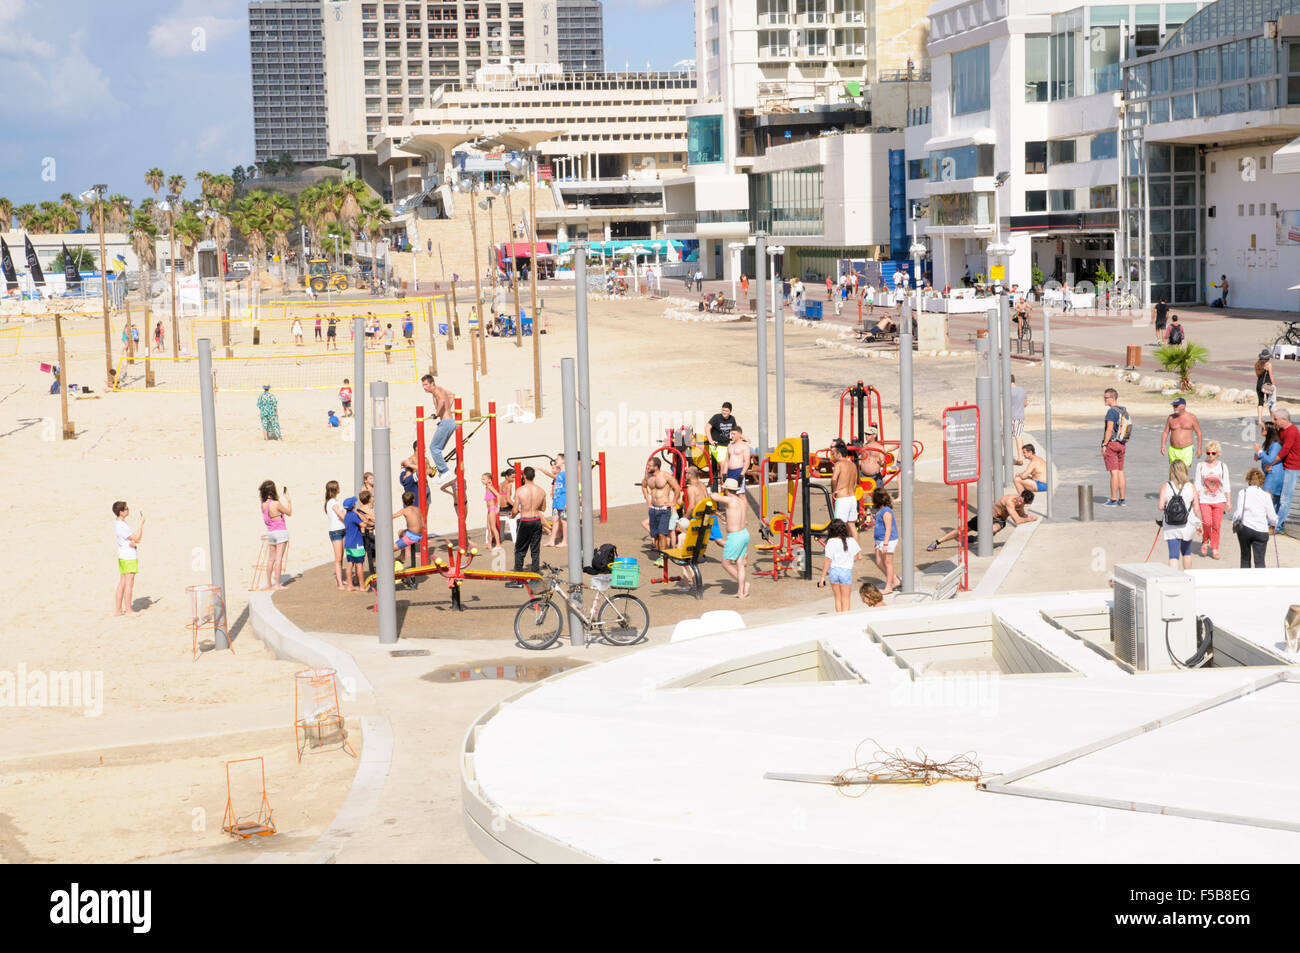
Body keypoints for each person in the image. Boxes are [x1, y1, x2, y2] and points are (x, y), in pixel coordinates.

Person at [925, 490, 1037, 551]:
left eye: (1022, 503)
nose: (1019, 503)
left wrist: (1026, 516)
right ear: (1020, 495)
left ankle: (977, 538)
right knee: (962, 530)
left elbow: (1022, 515)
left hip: (999, 520)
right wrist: (1029, 519)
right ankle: (937, 542)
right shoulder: (1009, 501)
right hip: (986, 516)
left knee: (993, 528)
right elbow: (1017, 520)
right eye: (1020, 500)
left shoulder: (1021, 504)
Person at [710, 477, 750, 598]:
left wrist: (717, 489)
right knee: (739, 563)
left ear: (726, 489)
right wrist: (725, 519)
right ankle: (741, 591)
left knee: (725, 563)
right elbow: (736, 517)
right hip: (744, 533)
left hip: (735, 536)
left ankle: (744, 584)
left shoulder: (730, 500)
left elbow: (714, 496)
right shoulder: (741, 501)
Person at [505, 467, 546, 584]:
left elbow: (515, 509)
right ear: (534, 476)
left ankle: (517, 580)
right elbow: (543, 508)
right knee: (535, 550)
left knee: (520, 550)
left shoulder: (520, 491)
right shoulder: (541, 491)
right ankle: (535, 577)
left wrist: (512, 516)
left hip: (525, 520)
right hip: (536, 520)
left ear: (524, 476)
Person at [1159, 460, 1200, 569]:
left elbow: (1160, 506)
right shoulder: (1191, 486)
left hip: (1171, 524)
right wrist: (1199, 524)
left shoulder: (1166, 485)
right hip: (1188, 523)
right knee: (1186, 552)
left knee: (1173, 555)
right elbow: (1196, 508)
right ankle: (1189, 577)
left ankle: (1174, 580)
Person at [1193, 441, 1231, 559]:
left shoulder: (1223, 466)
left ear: (1218, 453)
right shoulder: (1200, 466)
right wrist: (1194, 501)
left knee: (1216, 525)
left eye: (1213, 453)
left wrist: (1228, 501)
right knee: (1207, 522)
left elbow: (1227, 485)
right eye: (1208, 452)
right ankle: (1205, 540)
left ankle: (1214, 548)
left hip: (1219, 499)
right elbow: (1197, 485)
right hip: (1204, 499)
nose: (1210, 455)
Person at [1235, 468, 1278, 568]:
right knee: (1260, 561)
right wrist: (1273, 524)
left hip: (1245, 528)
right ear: (1262, 481)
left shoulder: (1243, 493)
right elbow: (1272, 516)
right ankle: (1260, 581)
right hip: (1261, 529)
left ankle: (1245, 582)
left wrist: (1234, 521)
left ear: (1248, 479)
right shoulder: (1266, 496)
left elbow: (1238, 514)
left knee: (1245, 558)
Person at [420, 374, 458, 485]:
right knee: (438, 449)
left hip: (446, 422)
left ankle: (444, 471)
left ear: (432, 383)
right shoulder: (440, 389)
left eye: (426, 384)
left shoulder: (436, 391)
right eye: (423, 385)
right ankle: (443, 472)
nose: (424, 387)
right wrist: (447, 409)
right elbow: (452, 395)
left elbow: (441, 401)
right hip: (449, 421)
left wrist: (436, 414)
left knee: (434, 448)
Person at [817, 518, 861, 612]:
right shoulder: (851, 541)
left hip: (834, 571)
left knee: (837, 599)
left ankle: (838, 617)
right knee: (846, 600)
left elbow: (828, 560)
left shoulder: (831, 542)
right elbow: (856, 557)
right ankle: (845, 621)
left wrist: (822, 577)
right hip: (845, 571)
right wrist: (848, 559)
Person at [1270, 407, 1300, 534]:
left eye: (1276, 419)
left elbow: (1284, 451)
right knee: (1276, 495)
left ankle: (1278, 526)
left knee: (1285, 499)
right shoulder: (1281, 429)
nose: (1274, 421)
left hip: (1292, 468)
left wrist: (1271, 463)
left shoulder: (1292, 431)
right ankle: (1272, 522)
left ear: (1284, 419)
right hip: (1283, 466)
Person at [112, 501, 144, 617]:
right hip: (129, 557)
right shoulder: (122, 525)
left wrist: (132, 542)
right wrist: (141, 524)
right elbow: (137, 538)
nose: (128, 510)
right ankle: (129, 610)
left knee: (122, 582)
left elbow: (130, 539)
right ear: (121, 512)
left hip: (122, 556)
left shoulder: (117, 523)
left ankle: (118, 610)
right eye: (126, 509)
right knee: (129, 583)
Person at [259, 480, 292, 591]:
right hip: (280, 532)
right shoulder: (276, 503)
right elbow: (289, 512)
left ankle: (268, 583)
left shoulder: (263, 504)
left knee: (271, 559)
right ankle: (277, 584)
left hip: (271, 532)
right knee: (278, 559)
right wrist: (289, 500)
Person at [643, 458, 682, 552]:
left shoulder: (665, 475)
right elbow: (644, 486)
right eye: (648, 465)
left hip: (664, 509)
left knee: (662, 534)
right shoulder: (648, 476)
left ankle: (663, 556)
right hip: (653, 508)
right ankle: (661, 553)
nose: (648, 467)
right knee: (655, 535)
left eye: (650, 465)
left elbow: (677, 488)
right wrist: (648, 500)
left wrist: (673, 502)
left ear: (656, 467)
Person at [1101, 387, 1130, 506]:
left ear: (1112, 398)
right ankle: (1122, 499)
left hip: (1112, 444)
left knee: (1113, 473)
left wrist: (1104, 444)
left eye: (1106, 398)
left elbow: (1109, 430)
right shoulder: (1124, 410)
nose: (1104, 400)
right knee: (1120, 471)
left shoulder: (1111, 412)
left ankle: (1113, 499)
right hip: (1122, 444)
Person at [871, 488, 901, 594]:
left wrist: (885, 544)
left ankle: (889, 586)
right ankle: (895, 580)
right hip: (880, 540)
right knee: (879, 561)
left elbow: (888, 529)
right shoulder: (880, 510)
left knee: (888, 562)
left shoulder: (887, 511)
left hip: (888, 540)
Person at [829, 441, 860, 539]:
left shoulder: (839, 464)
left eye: (833, 454)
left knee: (838, 526)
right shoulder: (853, 465)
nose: (833, 456)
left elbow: (834, 479)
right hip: (852, 498)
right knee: (852, 526)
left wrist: (833, 491)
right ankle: (857, 553)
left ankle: (840, 550)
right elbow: (855, 484)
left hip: (842, 498)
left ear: (839, 453)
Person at [1160, 397, 1201, 467]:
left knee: (1183, 473)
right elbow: (1165, 432)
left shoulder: (1192, 417)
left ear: (1183, 406)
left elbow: (1198, 433)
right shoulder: (1171, 418)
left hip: (1187, 450)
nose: (1174, 408)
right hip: (1173, 450)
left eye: (1176, 406)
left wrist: (1199, 448)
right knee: (1174, 473)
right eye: (1173, 406)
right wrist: (1163, 445)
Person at [537, 454, 567, 548]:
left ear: (563, 461)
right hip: (556, 501)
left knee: (563, 521)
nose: (556, 460)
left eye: (557, 459)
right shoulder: (559, 474)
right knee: (555, 520)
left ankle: (565, 541)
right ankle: (552, 540)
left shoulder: (566, 473)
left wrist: (567, 503)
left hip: (563, 501)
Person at [1254, 421, 1284, 507]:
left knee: (1265, 499)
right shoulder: (1268, 442)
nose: (1261, 430)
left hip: (1274, 474)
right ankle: (1273, 520)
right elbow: (1263, 454)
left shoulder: (1275, 444)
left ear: (1269, 431)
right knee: (1272, 501)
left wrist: (1259, 451)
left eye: (1263, 428)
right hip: (1269, 474)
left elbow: (1270, 460)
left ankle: (1271, 520)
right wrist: (1257, 455)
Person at [324, 480, 348, 589]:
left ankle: (341, 579)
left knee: (341, 557)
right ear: (335, 489)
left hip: (342, 529)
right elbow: (341, 515)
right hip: (336, 531)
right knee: (338, 558)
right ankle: (339, 582)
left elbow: (342, 515)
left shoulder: (335, 501)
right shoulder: (332, 502)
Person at [707, 402, 738, 479]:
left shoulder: (732, 418)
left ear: (730, 412)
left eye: (726, 411)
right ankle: (723, 485)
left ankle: (725, 482)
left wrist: (743, 437)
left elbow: (735, 431)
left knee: (730, 464)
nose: (724, 412)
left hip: (726, 445)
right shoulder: (716, 417)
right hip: (716, 445)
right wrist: (710, 440)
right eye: (723, 410)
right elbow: (707, 427)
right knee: (724, 465)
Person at [393, 490, 425, 567]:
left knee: (389, 550)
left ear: (403, 501)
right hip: (420, 534)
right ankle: (402, 555)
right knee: (400, 532)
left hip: (412, 537)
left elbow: (392, 516)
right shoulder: (418, 509)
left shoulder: (404, 510)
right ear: (413, 500)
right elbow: (422, 524)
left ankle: (394, 567)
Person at [342, 496, 366, 590]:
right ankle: (362, 586)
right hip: (357, 544)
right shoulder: (353, 515)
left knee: (350, 563)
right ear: (353, 505)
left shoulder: (346, 516)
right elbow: (362, 525)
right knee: (359, 564)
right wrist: (365, 520)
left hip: (348, 543)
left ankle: (349, 585)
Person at [1256, 348, 1276, 429]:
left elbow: (1258, 375)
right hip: (1267, 385)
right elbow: (1271, 376)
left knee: (1260, 402)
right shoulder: (1268, 364)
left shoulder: (1257, 364)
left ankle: (1260, 420)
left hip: (1259, 384)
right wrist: (1274, 385)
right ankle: (1272, 419)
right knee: (1270, 402)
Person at [483, 473, 502, 549]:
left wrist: (498, 507)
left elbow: (499, 495)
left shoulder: (490, 487)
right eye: (482, 479)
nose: (482, 480)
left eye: (484, 479)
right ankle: (489, 544)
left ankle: (498, 544)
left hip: (492, 509)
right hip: (489, 510)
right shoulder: (487, 487)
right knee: (489, 527)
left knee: (493, 527)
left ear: (489, 480)